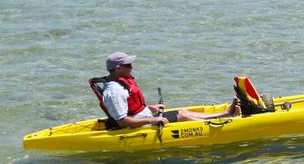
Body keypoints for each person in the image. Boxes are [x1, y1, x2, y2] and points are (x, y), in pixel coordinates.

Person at [98, 52, 239, 128]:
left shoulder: (121, 83)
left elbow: (130, 107)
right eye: (128, 65)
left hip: (146, 117)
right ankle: (227, 121)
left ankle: (225, 114)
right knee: (182, 117)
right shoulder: (114, 91)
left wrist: (151, 108)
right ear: (118, 69)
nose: (131, 67)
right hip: (141, 126)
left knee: (182, 112)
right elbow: (123, 121)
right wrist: (154, 120)